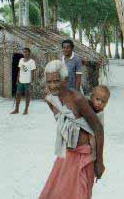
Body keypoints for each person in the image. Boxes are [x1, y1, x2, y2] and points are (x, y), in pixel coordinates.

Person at [40, 60, 104, 199]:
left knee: (80, 194)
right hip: (66, 154)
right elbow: (64, 126)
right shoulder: (51, 100)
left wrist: (99, 161)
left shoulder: (77, 99)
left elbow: (98, 128)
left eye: (56, 81)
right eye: (49, 82)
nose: (52, 86)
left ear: (66, 79)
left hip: (84, 156)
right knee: (56, 193)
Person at [87, 85, 110, 162]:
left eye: (103, 101)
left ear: (106, 103)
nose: (99, 103)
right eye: (97, 99)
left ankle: (93, 157)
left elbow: (100, 130)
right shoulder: (86, 105)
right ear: (92, 97)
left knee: (93, 142)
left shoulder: (100, 113)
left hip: (93, 134)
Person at [10, 48, 36, 115]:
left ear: (29, 53)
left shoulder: (32, 61)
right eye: (24, 52)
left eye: (26, 52)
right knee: (18, 95)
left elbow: (33, 72)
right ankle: (16, 109)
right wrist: (17, 79)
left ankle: (26, 109)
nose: (25, 53)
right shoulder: (21, 60)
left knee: (27, 95)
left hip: (28, 82)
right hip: (21, 81)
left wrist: (32, 82)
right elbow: (19, 70)